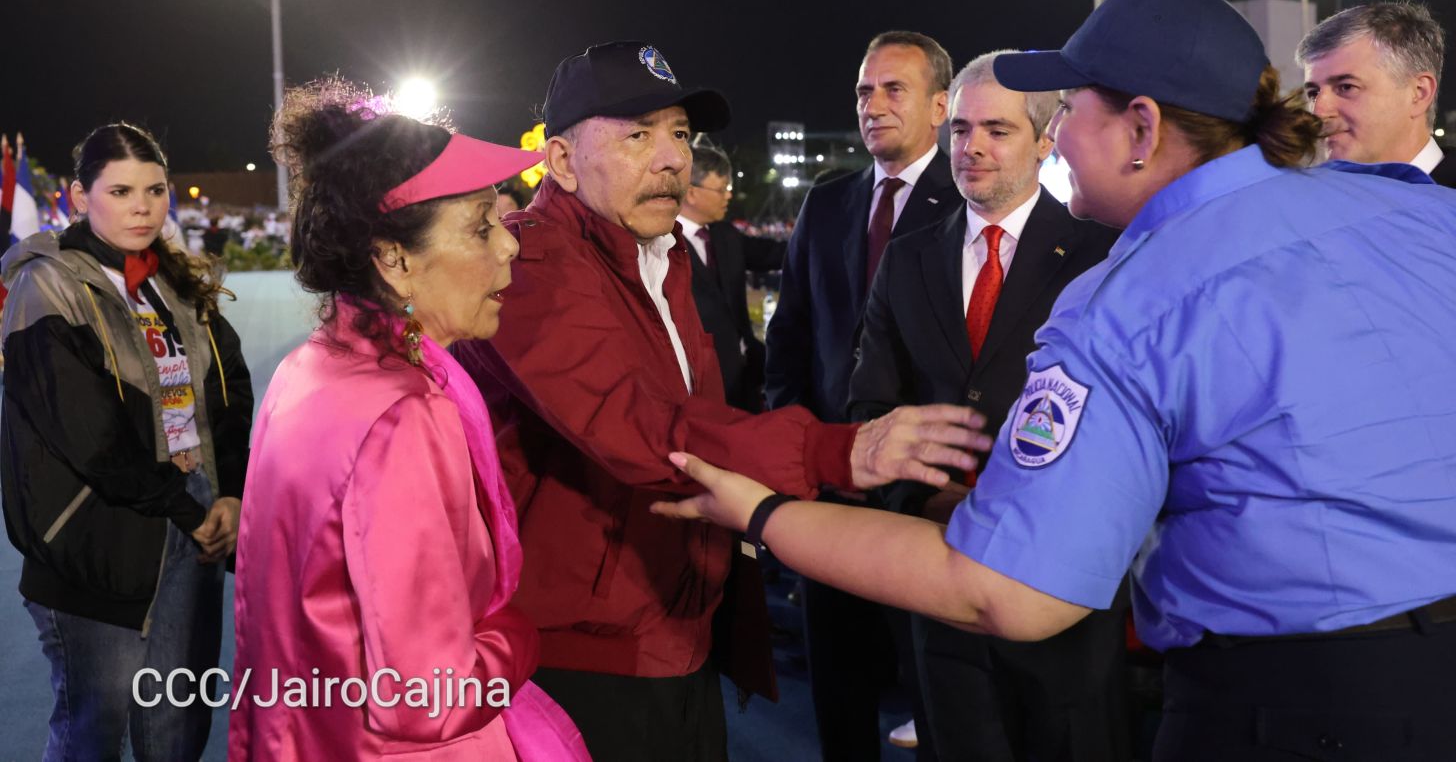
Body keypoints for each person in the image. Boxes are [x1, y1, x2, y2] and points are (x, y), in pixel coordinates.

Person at [652, 0, 1456, 762]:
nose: (1059, 135)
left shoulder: (1130, 295)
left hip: (1293, 706)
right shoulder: (1418, 208)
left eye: (1068, 109)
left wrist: (763, 512)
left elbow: (1005, 593)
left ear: (1141, 128)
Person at [451, 40, 985, 762]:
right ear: (563, 161)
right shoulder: (530, 263)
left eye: (679, 133)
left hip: (676, 628)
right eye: (637, 135)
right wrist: (833, 449)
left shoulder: (658, 253)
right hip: (585, 652)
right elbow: (640, 426)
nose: (672, 158)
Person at [228, 79, 588, 761]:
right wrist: (518, 634)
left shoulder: (310, 367)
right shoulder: (403, 415)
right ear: (394, 259)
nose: (510, 246)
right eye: (481, 226)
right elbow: (429, 695)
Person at [850, 51, 1125, 762]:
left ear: (1045, 139)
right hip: (939, 580)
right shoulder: (907, 258)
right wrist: (923, 496)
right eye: (962, 129)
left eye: (997, 131)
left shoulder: (1106, 256)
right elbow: (871, 406)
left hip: (1063, 588)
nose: (971, 147)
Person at [1, 122, 252, 761]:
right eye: (120, 191)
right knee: (93, 735)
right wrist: (188, 509)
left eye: (155, 190)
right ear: (80, 197)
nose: (142, 206)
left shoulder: (176, 282)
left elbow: (228, 392)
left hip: (192, 525)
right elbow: (88, 435)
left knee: (176, 731)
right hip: (96, 540)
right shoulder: (46, 283)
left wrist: (232, 493)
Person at [765, 30, 962, 761]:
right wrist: (796, 446)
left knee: (939, 694)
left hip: (924, 496)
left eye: (893, 89)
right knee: (838, 695)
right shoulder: (827, 203)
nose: (872, 105)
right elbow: (789, 337)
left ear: (940, 106)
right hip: (829, 488)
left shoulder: (967, 201)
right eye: (863, 91)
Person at [1298, 0, 1454, 185]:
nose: (1319, 112)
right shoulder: (1312, 195)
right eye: (1313, 93)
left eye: (1346, 87)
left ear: (1419, 93)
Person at [677, 142, 784, 412]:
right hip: (698, 388)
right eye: (721, 189)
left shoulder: (726, 236)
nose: (729, 195)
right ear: (691, 192)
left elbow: (775, 254)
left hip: (745, 378)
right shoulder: (659, 245)